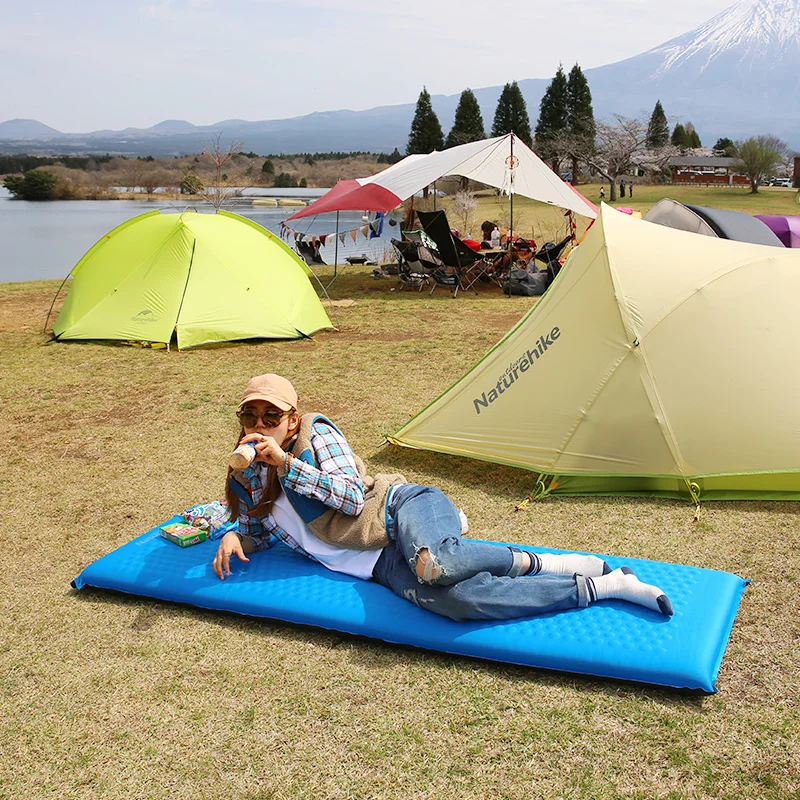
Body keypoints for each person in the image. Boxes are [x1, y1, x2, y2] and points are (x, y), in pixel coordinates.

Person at [212, 374, 674, 622]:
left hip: (396, 508)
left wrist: (287, 464)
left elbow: (352, 499)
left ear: (291, 421)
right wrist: (236, 537)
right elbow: (257, 532)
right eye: (251, 414)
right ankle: (606, 585)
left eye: (272, 415)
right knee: (459, 602)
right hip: (374, 561)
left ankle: (554, 562)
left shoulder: (316, 438)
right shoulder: (247, 478)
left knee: (441, 563)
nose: (260, 423)